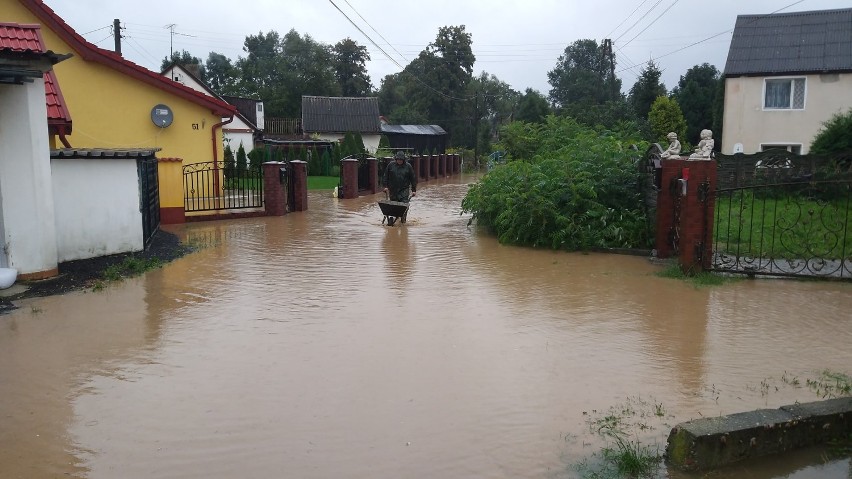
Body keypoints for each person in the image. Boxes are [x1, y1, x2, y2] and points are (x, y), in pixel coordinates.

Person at [382, 151, 417, 225]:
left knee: (404, 205)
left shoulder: (408, 166)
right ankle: (393, 219)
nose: (399, 161)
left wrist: (413, 190)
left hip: (404, 190)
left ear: (404, 160)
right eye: (398, 159)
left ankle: (403, 220)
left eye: (401, 160)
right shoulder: (391, 165)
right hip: (393, 190)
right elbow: (386, 176)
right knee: (394, 206)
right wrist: (385, 186)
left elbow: (413, 178)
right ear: (396, 159)